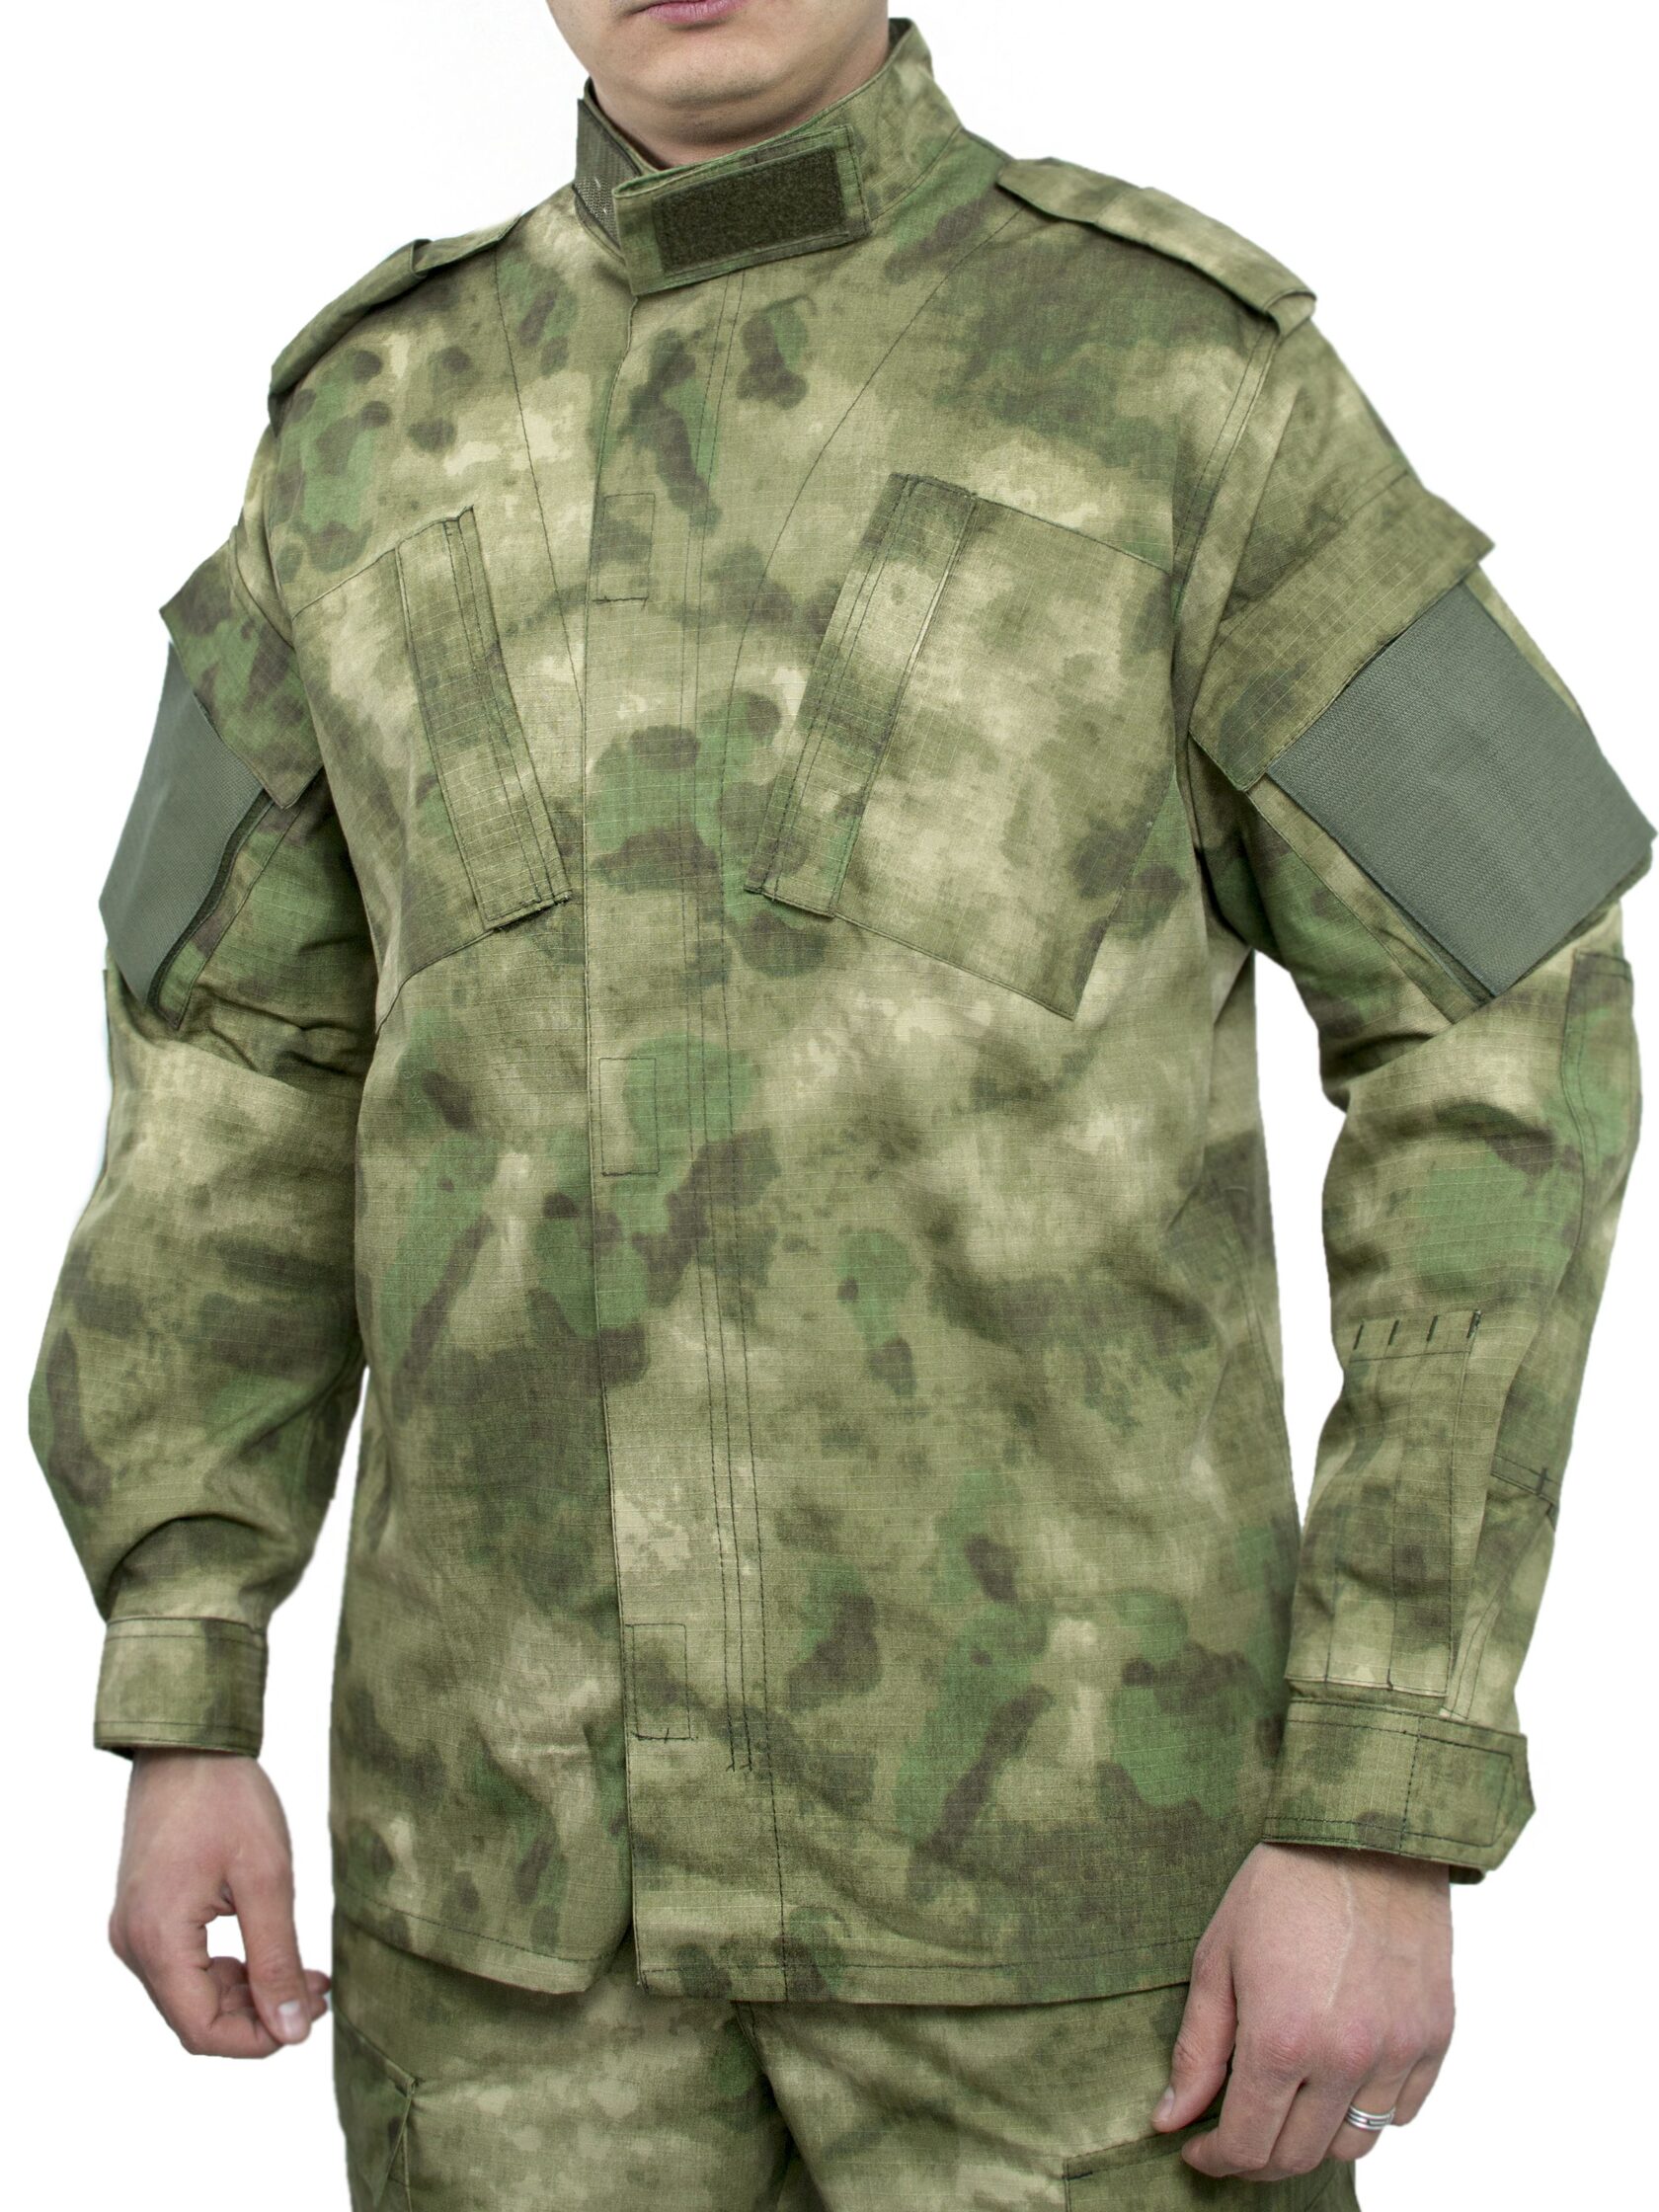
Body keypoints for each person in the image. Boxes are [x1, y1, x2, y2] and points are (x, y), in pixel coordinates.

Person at [27, 3, 1650, 2204]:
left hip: (1082, 1952)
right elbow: (231, 1066)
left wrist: (1387, 1785)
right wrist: (182, 1679)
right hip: (512, 1952)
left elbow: (1503, 1021)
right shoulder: (362, 437)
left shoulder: (1187, 386)